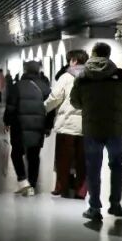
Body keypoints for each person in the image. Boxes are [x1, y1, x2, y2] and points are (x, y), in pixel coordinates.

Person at [69, 42, 122, 222]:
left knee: (93, 168)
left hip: (92, 128)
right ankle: (115, 205)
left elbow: (74, 101)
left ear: (93, 54)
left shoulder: (83, 76)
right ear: (108, 55)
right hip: (116, 129)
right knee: (116, 166)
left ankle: (94, 208)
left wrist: (89, 106)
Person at [43, 49, 88, 198]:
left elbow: (55, 97)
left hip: (66, 125)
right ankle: (81, 190)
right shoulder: (92, 78)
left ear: (74, 60)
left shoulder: (66, 77)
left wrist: (43, 108)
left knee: (63, 160)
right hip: (86, 127)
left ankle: (62, 188)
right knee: (82, 161)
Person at [4, 61, 50, 196]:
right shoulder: (45, 87)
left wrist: (7, 121)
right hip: (38, 125)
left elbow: (10, 107)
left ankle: (23, 181)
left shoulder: (17, 86)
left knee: (16, 153)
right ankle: (32, 184)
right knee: (34, 155)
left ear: (25, 70)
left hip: (19, 125)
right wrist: (48, 126)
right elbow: (50, 109)